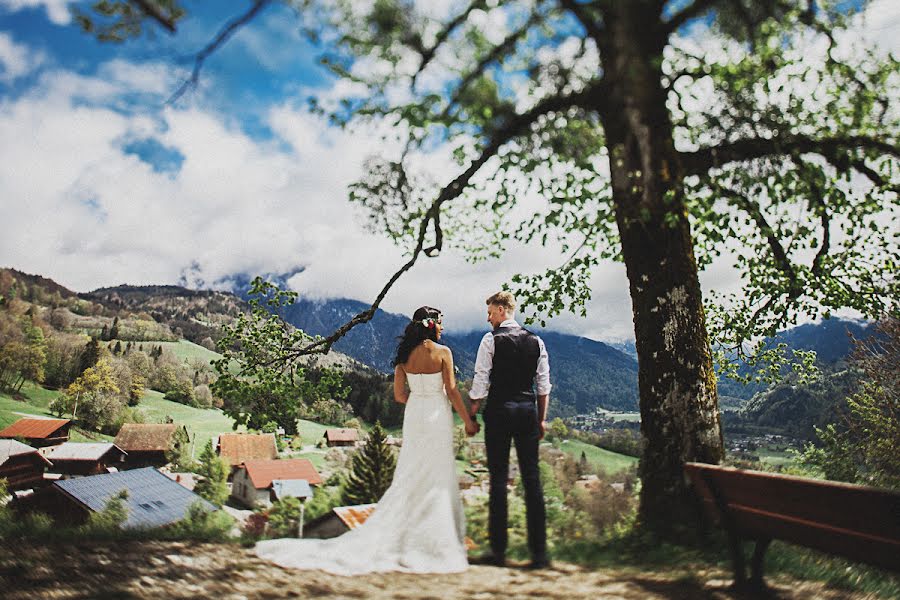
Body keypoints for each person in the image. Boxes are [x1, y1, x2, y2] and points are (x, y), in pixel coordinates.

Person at [255, 306, 479, 575]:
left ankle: (410, 534)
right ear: (431, 326)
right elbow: (452, 390)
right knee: (436, 473)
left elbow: (398, 396)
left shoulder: (404, 356)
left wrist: (417, 400)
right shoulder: (443, 353)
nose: (443, 328)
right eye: (441, 323)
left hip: (415, 415)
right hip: (436, 415)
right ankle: (432, 540)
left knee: (411, 471)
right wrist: (467, 421)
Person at [469, 291, 551, 569]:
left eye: (491, 312)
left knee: (498, 479)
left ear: (503, 310)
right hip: (527, 411)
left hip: (500, 410)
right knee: (532, 478)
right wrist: (541, 419)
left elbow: (481, 380)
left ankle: (498, 552)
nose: (488, 317)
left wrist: (471, 412)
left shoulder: (490, 340)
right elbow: (543, 386)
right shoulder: (536, 341)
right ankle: (539, 554)